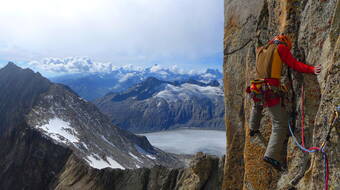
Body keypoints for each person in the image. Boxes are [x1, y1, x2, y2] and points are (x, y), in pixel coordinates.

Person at [247, 34, 322, 171]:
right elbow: (294, 64)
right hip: (269, 88)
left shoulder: (262, 50)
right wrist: (311, 69)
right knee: (280, 122)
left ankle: (253, 128)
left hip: (256, 87)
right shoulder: (281, 48)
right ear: (285, 43)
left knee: (257, 105)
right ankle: (271, 155)